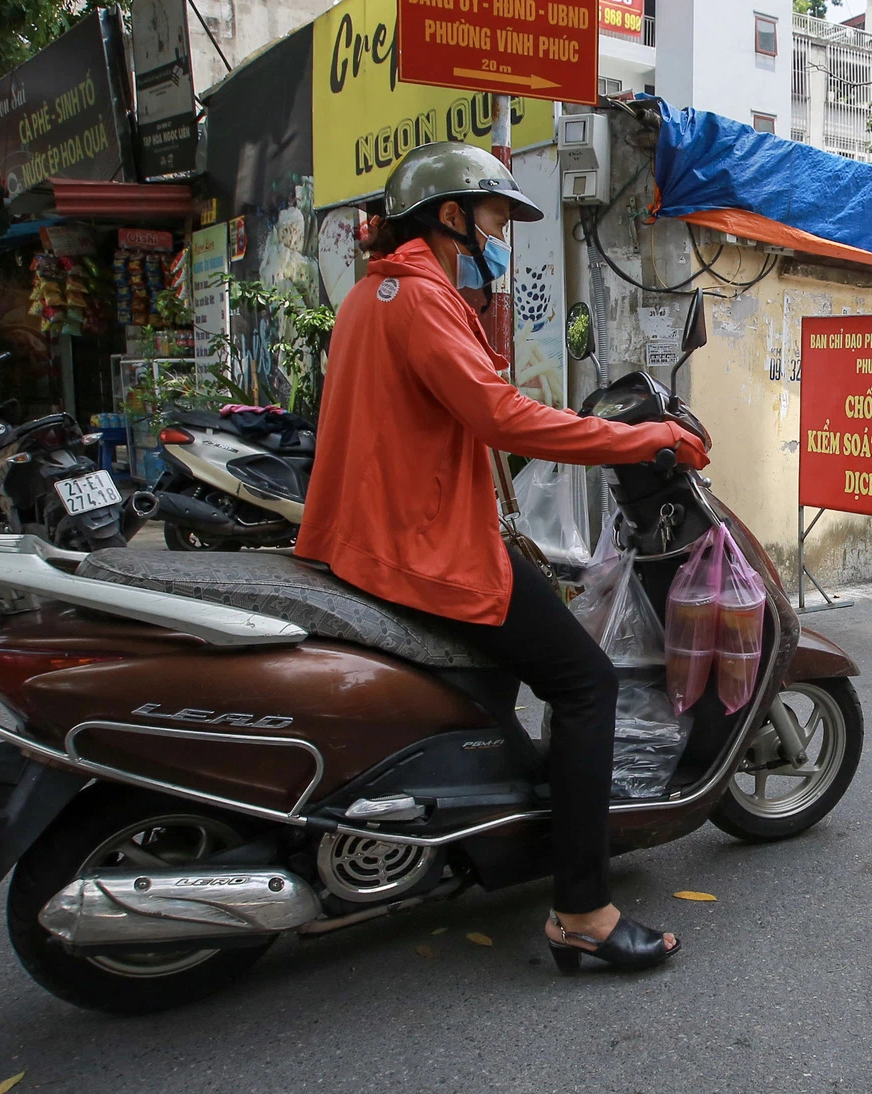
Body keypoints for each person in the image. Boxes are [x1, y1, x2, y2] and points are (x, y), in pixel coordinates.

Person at [298, 141, 708, 970]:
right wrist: (640, 437)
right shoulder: (418, 299)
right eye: (492, 219)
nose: (499, 237)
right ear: (451, 217)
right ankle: (584, 911)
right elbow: (505, 420)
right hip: (418, 544)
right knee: (585, 682)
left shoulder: (370, 296)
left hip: (364, 535)